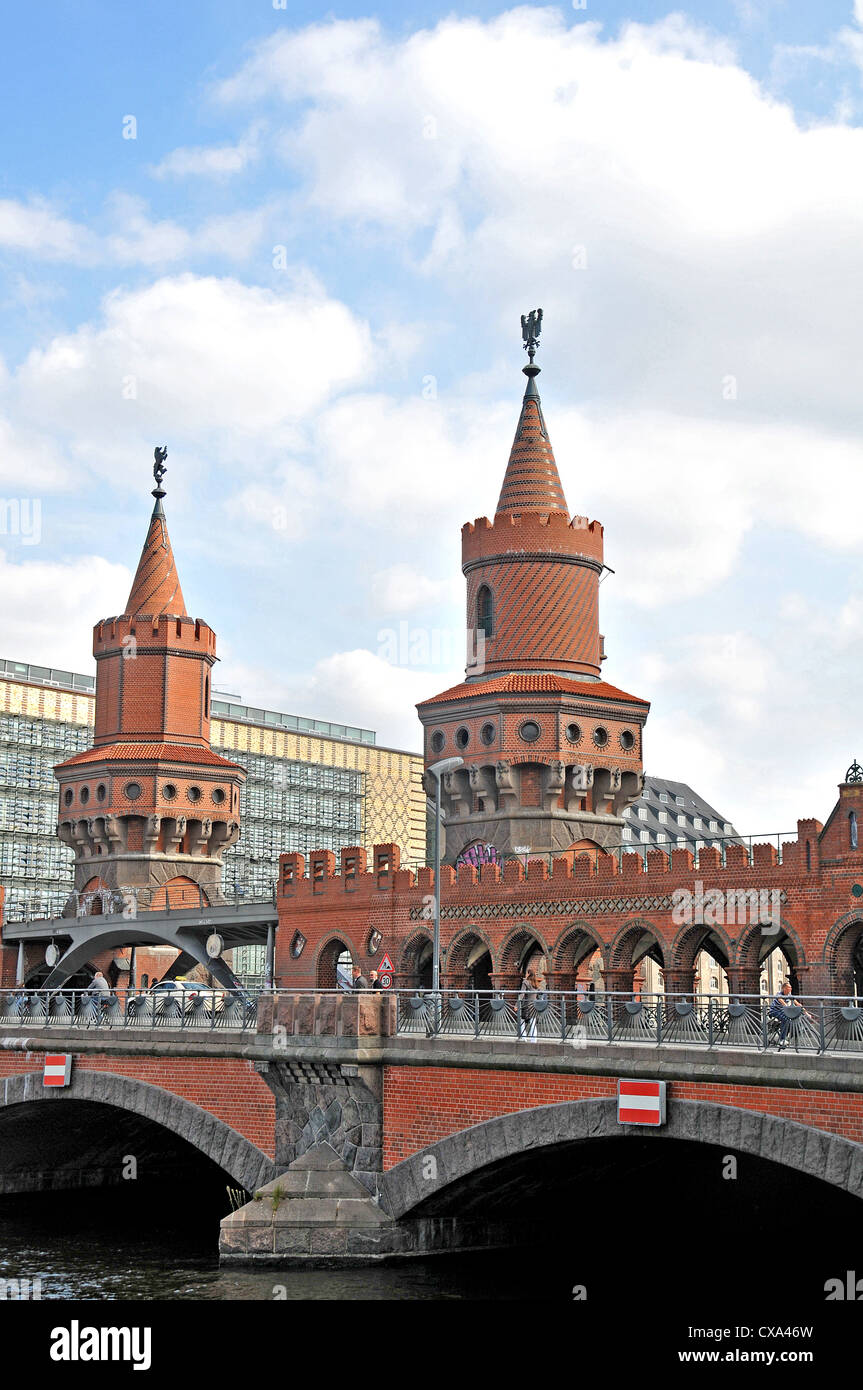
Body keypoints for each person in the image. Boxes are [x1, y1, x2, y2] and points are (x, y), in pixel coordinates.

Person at [768, 980, 813, 1049]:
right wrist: (787, 1006)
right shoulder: (779, 994)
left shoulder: (789, 995)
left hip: (783, 1011)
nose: (791, 989)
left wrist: (807, 1013)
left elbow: (798, 1004)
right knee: (785, 1019)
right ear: (784, 988)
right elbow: (782, 1001)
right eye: (789, 987)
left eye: (791, 987)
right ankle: (782, 1039)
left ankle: (781, 1036)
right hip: (775, 1011)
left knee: (792, 1020)